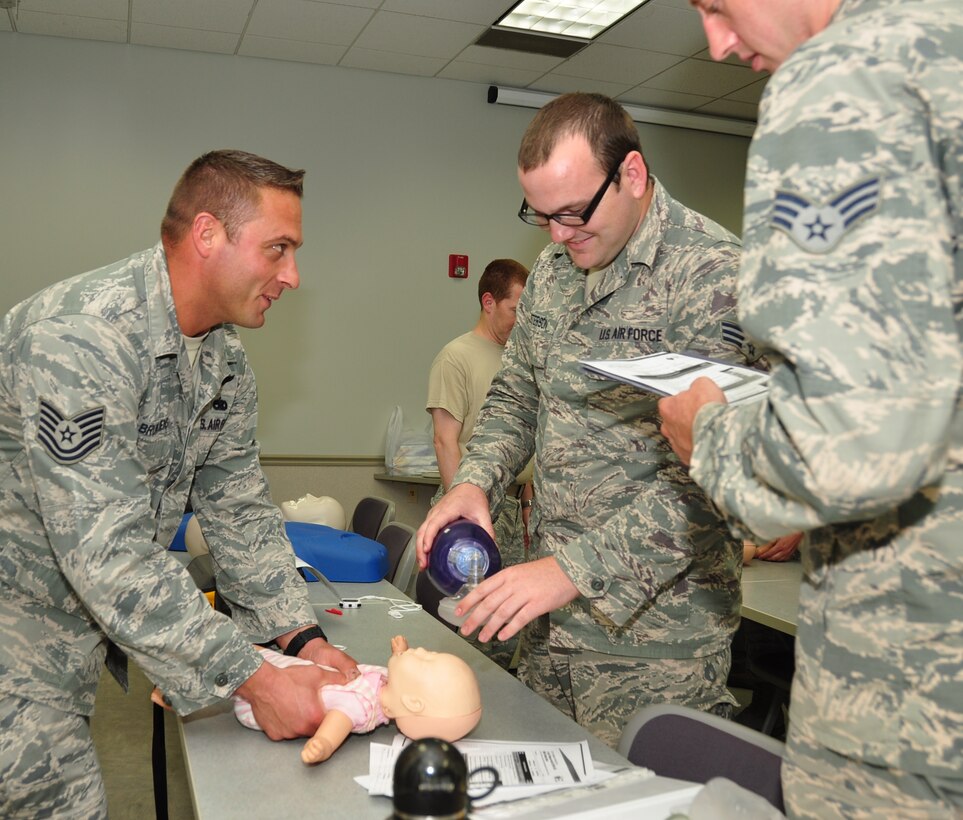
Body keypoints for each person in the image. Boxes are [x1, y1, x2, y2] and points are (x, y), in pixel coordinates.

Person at [660, 2, 961, 815]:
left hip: (915, 705)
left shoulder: (849, 76)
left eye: (716, 5)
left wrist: (708, 435)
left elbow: (851, 443)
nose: (717, 42)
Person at [0, 149, 359, 818]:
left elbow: (241, 509)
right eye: (277, 249)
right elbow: (108, 552)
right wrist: (253, 679)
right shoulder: (82, 341)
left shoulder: (221, 358)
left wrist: (300, 639)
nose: (294, 275)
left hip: (62, 628)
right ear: (206, 235)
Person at [417, 92, 761, 748]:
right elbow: (517, 394)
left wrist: (570, 570)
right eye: (539, 215)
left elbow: (711, 483)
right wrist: (473, 480)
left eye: (572, 212)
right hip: (548, 624)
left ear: (631, 175)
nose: (555, 235)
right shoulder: (553, 270)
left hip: (654, 646)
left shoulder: (712, 274)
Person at [426, 258, 533, 668]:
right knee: (472, 632)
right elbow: (445, 441)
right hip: (473, 505)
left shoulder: (518, 361)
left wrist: (525, 502)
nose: (520, 320)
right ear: (489, 302)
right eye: (514, 309)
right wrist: (466, 521)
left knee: (506, 629)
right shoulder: (456, 357)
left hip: (511, 507)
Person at [231, 635, 482, 763]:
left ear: (413, 703)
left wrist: (323, 745)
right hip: (299, 674)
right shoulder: (390, 685)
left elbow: (336, 724)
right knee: (247, 649)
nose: (424, 650)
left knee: (240, 659)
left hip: (271, 701)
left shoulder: (361, 708)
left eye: (427, 659)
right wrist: (401, 654)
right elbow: (402, 677)